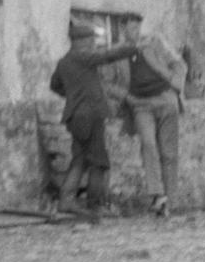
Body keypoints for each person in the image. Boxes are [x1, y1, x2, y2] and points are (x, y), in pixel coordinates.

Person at [49, 18, 140, 214]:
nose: (92, 43)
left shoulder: (64, 62)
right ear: (80, 41)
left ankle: (66, 199)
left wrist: (73, 94)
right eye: (90, 39)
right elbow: (107, 55)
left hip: (75, 116)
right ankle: (95, 204)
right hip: (90, 115)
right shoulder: (83, 56)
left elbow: (55, 85)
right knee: (99, 161)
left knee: (80, 159)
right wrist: (133, 47)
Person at [122, 13, 187, 216]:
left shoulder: (155, 43)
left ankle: (171, 201)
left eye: (138, 27)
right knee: (148, 144)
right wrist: (126, 97)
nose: (136, 31)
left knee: (169, 152)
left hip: (165, 99)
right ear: (123, 29)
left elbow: (179, 64)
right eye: (131, 27)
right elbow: (107, 82)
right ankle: (158, 194)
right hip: (140, 104)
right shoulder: (118, 51)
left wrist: (172, 83)